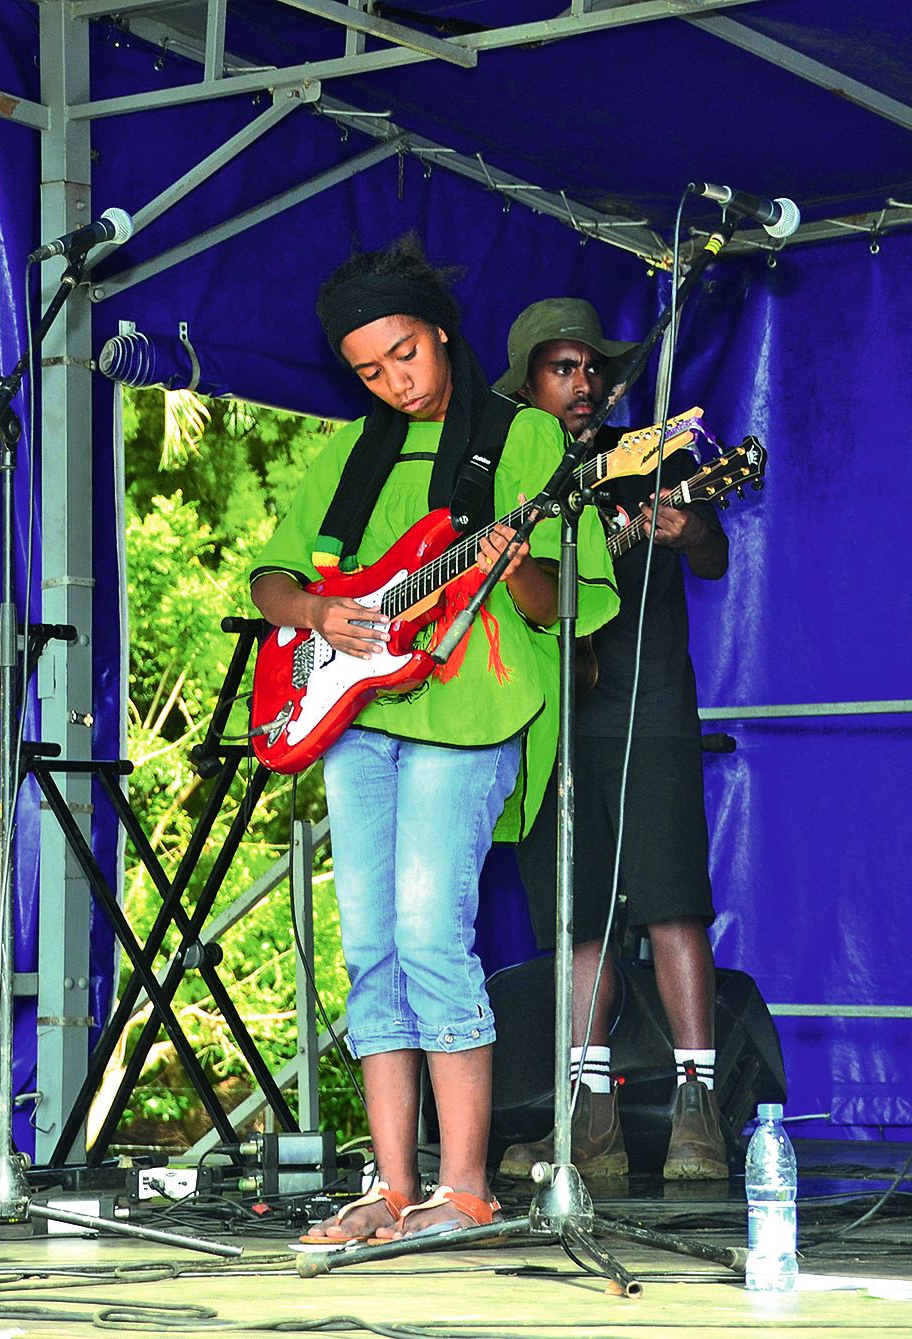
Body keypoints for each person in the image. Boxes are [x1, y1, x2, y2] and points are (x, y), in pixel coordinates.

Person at [251, 243, 617, 1243]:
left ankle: (463, 1186)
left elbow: (562, 604)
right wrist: (321, 613)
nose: (393, 380)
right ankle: (389, 1184)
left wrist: (505, 564)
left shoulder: (525, 437)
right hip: (356, 720)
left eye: (404, 354)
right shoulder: (347, 451)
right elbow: (268, 582)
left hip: (470, 711)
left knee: (426, 935)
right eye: (369, 370)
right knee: (369, 949)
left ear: (440, 332)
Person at [489, 299, 733, 1182]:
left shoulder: (647, 456)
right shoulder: (511, 474)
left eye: (591, 367)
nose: (582, 383)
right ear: (526, 383)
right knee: (575, 916)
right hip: (548, 714)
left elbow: (713, 557)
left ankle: (697, 1118)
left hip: (652, 706)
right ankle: (586, 1125)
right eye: (561, 368)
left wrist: (690, 524)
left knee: (672, 901)